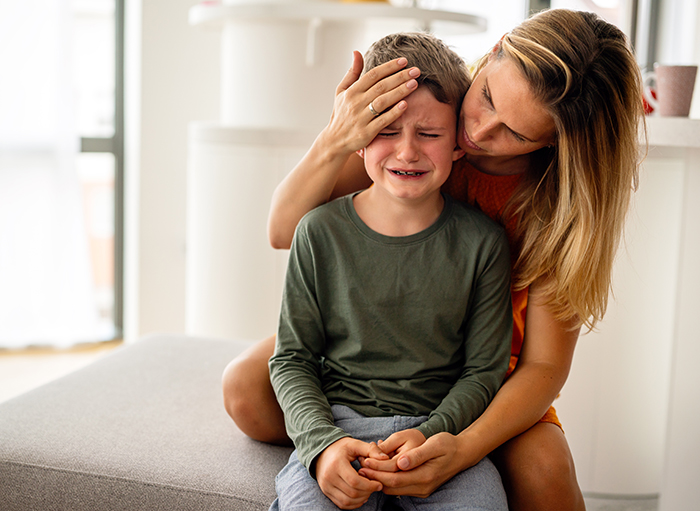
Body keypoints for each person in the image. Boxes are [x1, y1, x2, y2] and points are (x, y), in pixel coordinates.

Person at [223, 8, 645, 511]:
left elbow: (545, 366)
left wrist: (459, 448)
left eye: (515, 133)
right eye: (487, 96)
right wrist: (338, 136)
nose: (479, 131)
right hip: (374, 331)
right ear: (494, 50)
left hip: (486, 369)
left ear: (556, 142)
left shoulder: (557, 209)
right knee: (246, 388)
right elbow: (284, 230)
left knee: (544, 469)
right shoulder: (420, 128)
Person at [268, 32, 512, 511]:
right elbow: (291, 359)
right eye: (385, 131)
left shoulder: (484, 243)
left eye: (429, 134)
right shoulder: (318, 231)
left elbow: (483, 371)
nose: (406, 152)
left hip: (439, 435)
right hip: (338, 428)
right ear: (356, 137)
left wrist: (431, 433)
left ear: (459, 143)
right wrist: (321, 446)